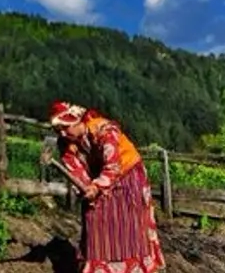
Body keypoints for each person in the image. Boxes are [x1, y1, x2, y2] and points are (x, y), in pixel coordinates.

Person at [44, 101, 166, 273]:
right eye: (58, 131)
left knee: (129, 222)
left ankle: (134, 268)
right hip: (98, 179)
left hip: (127, 175)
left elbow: (113, 166)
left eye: (66, 127)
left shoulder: (104, 131)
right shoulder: (66, 144)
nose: (63, 133)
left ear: (78, 122)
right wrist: (87, 188)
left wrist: (97, 186)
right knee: (94, 217)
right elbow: (76, 170)